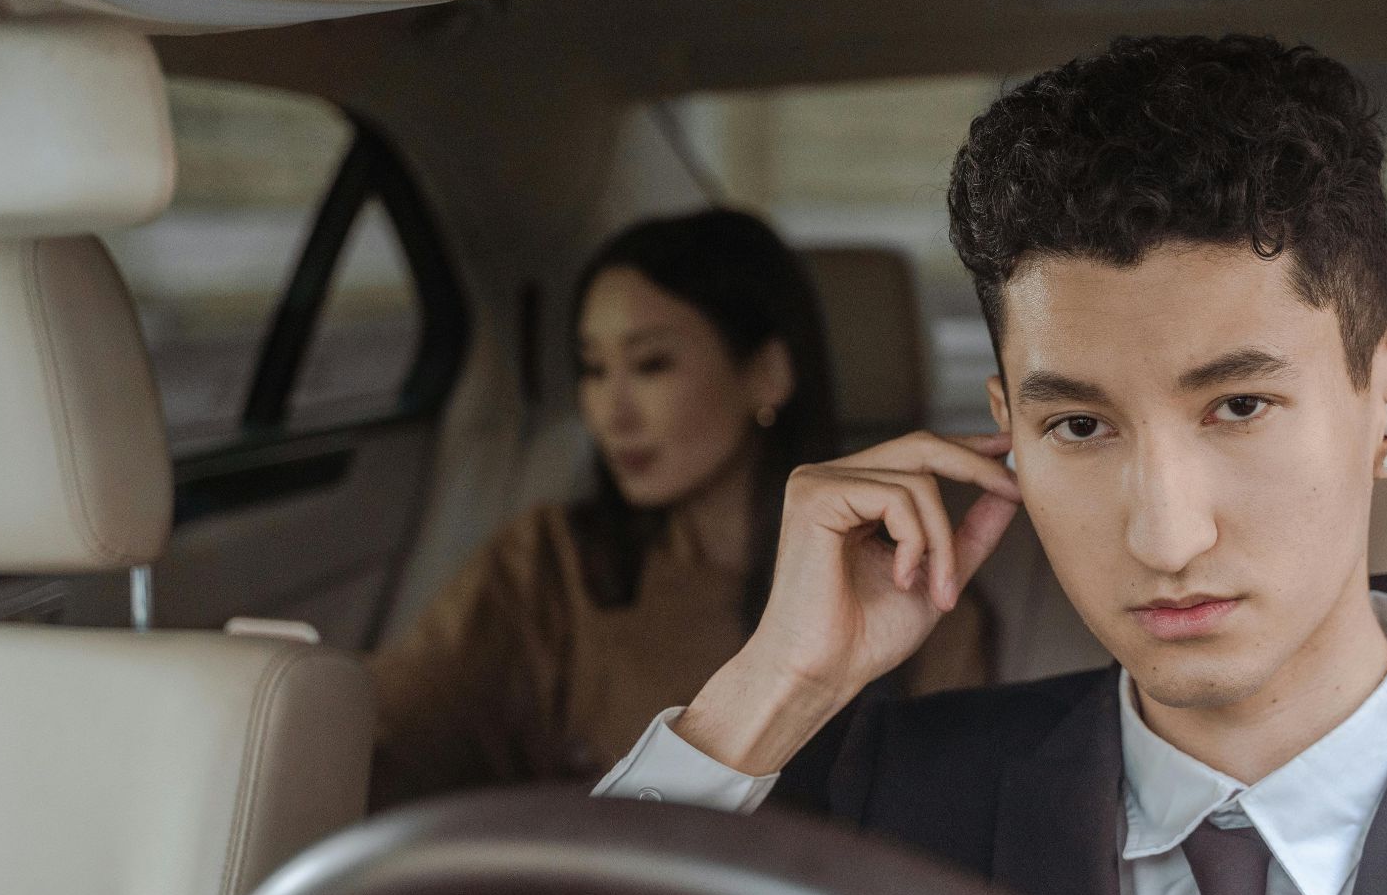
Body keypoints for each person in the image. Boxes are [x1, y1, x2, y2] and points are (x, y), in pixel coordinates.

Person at [594, 39, 1387, 895]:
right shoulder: (883, 795)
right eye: (1080, 425)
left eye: (1238, 406)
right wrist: (768, 693)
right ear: (1007, 441)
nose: (1166, 532)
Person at [369, 208, 993, 808]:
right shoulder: (551, 562)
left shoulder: (907, 593)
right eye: (591, 369)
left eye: (651, 365)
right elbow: (384, 735)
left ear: (767, 375)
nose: (612, 413)